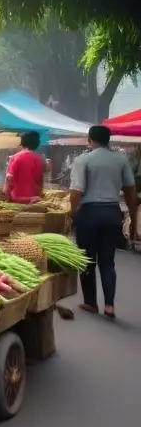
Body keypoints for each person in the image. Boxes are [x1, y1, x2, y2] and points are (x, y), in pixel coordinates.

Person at [69, 125, 138, 319]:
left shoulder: (83, 160)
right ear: (109, 140)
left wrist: (72, 214)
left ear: (90, 140)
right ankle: (109, 305)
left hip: (89, 214)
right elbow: (131, 192)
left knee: (87, 260)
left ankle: (91, 303)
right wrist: (133, 218)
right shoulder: (121, 160)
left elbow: (76, 192)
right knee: (108, 262)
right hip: (112, 214)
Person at [3, 131, 45, 204]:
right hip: (35, 200)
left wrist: (7, 196)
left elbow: (9, 178)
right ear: (37, 143)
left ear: (22, 143)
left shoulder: (15, 157)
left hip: (17, 200)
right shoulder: (40, 159)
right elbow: (41, 180)